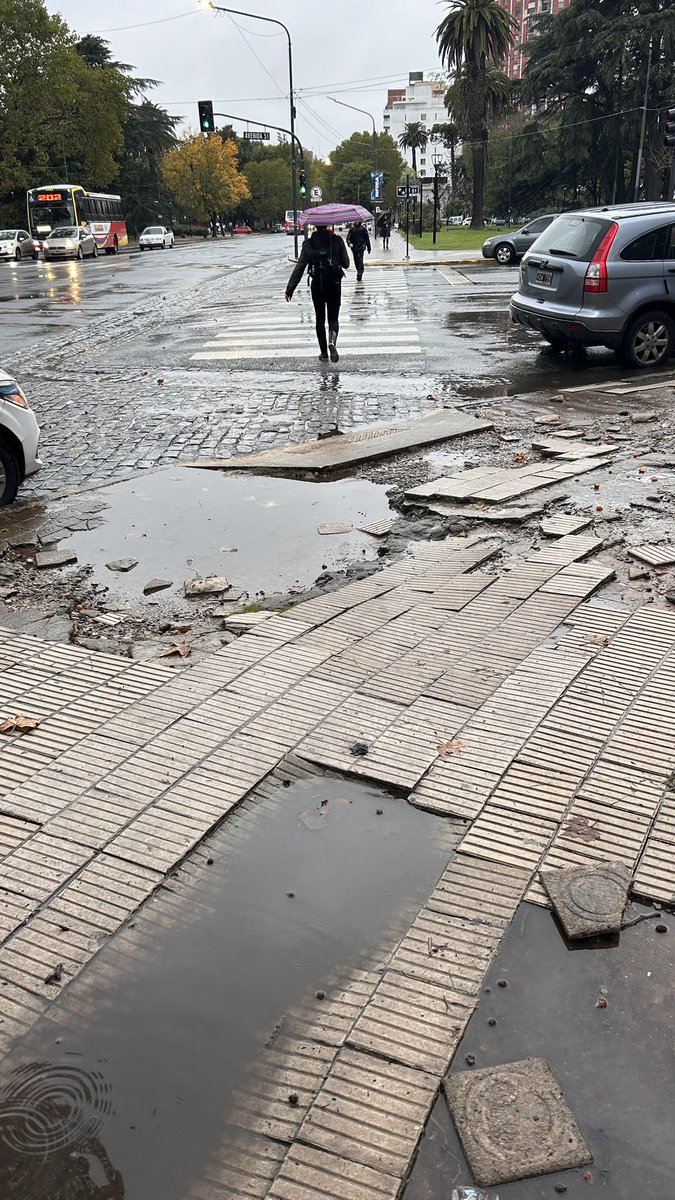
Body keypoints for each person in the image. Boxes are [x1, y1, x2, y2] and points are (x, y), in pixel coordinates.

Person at [285, 225, 350, 362]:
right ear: (327, 225)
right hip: (334, 283)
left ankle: (323, 353)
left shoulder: (308, 244)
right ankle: (332, 341)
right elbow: (346, 263)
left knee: (320, 319)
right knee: (333, 318)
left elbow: (300, 267)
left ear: (315, 226)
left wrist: (290, 289)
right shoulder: (337, 240)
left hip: (317, 285)